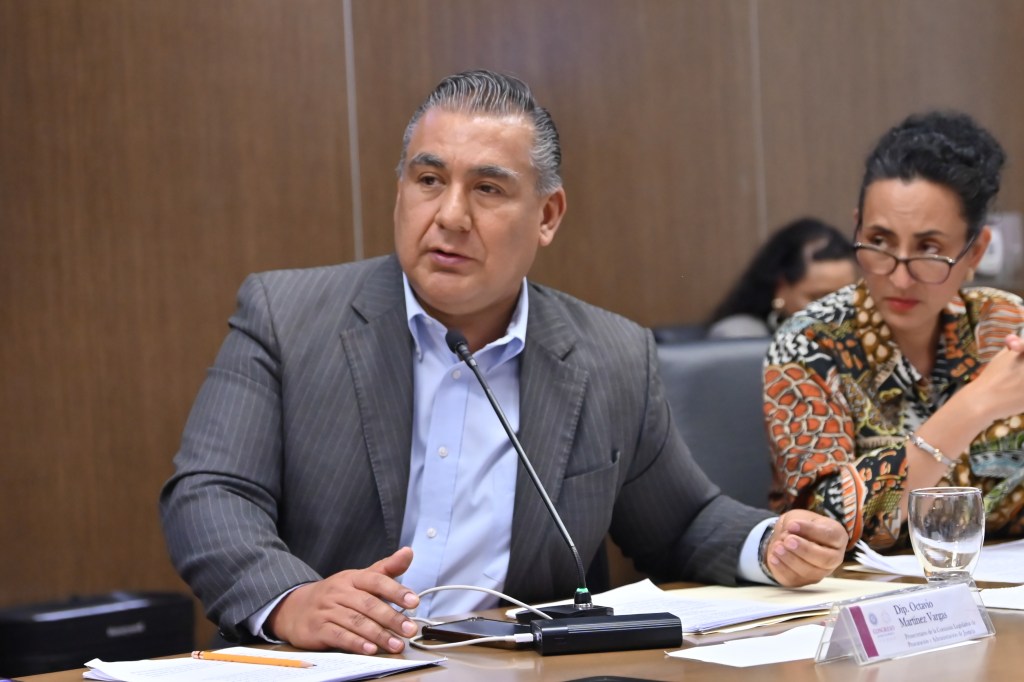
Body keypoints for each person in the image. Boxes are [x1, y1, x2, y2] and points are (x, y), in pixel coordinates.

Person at [160, 70, 845, 655]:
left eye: (487, 189)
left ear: (547, 215)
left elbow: (681, 522)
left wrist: (769, 543)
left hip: (513, 667)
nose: (450, 215)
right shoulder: (287, 317)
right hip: (332, 667)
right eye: (429, 179)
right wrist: (291, 600)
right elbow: (210, 495)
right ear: (400, 191)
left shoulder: (611, 356)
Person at [764, 111, 1024, 552]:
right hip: (852, 590)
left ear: (975, 251)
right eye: (880, 242)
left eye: (929, 248)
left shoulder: (1005, 327)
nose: (899, 278)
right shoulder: (809, 343)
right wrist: (976, 405)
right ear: (857, 228)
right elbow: (823, 525)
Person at [707, 217, 856, 339]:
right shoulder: (741, 335)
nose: (834, 311)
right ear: (781, 287)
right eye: (818, 298)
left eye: (845, 297)